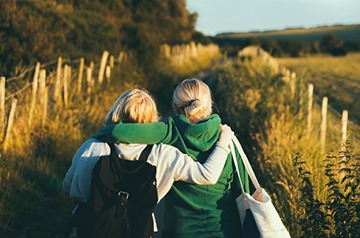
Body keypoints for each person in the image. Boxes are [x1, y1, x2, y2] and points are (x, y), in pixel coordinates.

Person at [63, 88, 234, 237]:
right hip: (139, 230)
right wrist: (223, 142)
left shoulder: (93, 147)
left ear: (116, 111)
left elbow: (70, 186)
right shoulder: (164, 154)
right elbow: (207, 175)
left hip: (93, 228)